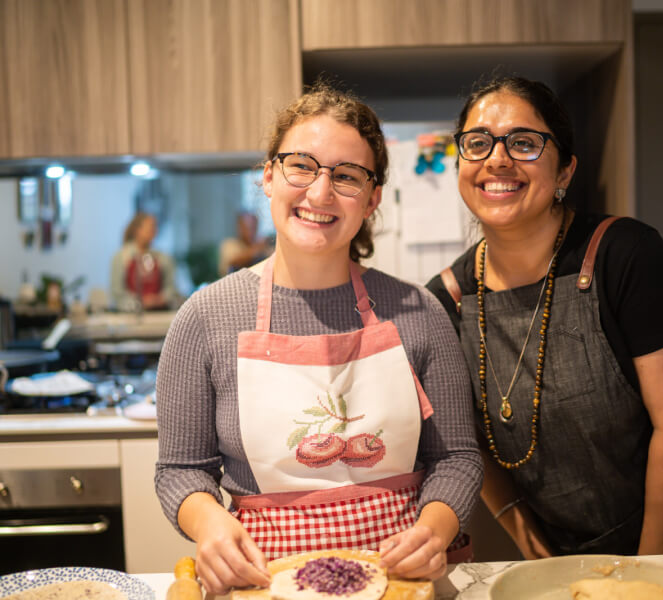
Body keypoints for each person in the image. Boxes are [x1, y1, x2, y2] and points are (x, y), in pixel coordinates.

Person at [155, 84, 483, 594]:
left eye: (347, 176)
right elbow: (180, 469)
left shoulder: (420, 313)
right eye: (301, 166)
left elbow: (456, 457)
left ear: (372, 199)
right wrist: (210, 523)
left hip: (401, 582)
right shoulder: (204, 318)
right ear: (268, 175)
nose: (320, 193)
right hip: (263, 581)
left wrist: (433, 529)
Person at [426, 75, 663, 558]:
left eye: (524, 143)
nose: (497, 159)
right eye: (478, 143)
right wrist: (526, 539)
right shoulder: (446, 300)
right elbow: (470, 444)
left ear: (565, 172)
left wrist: (651, 571)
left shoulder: (627, 257)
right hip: (572, 556)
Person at [110, 212, 178, 311]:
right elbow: (117, 293)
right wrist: (140, 302)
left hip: (158, 313)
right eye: (150, 227)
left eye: (155, 227)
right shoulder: (121, 258)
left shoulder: (163, 258)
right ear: (137, 230)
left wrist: (159, 299)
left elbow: (171, 288)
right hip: (130, 315)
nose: (154, 230)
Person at [217, 211, 273, 276]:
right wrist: (256, 250)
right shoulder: (230, 244)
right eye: (248, 227)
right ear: (240, 227)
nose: (251, 231)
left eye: (254, 227)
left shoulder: (262, 245)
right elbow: (234, 262)